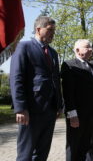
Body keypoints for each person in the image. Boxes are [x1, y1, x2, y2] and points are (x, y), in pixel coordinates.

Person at [10, 16, 63, 161]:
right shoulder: (24, 47)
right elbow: (17, 78)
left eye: (54, 30)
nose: (53, 33)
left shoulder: (53, 53)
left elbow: (55, 80)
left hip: (50, 111)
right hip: (31, 111)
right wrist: (20, 108)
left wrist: (59, 105)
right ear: (39, 29)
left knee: (42, 153)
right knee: (25, 154)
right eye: (50, 30)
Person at [61, 39, 93, 161]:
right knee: (74, 145)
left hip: (92, 114)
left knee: (87, 145)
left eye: (91, 47)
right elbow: (68, 92)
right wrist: (72, 114)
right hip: (77, 115)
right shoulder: (69, 65)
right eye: (87, 47)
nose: (90, 49)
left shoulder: (92, 66)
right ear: (78, 50)